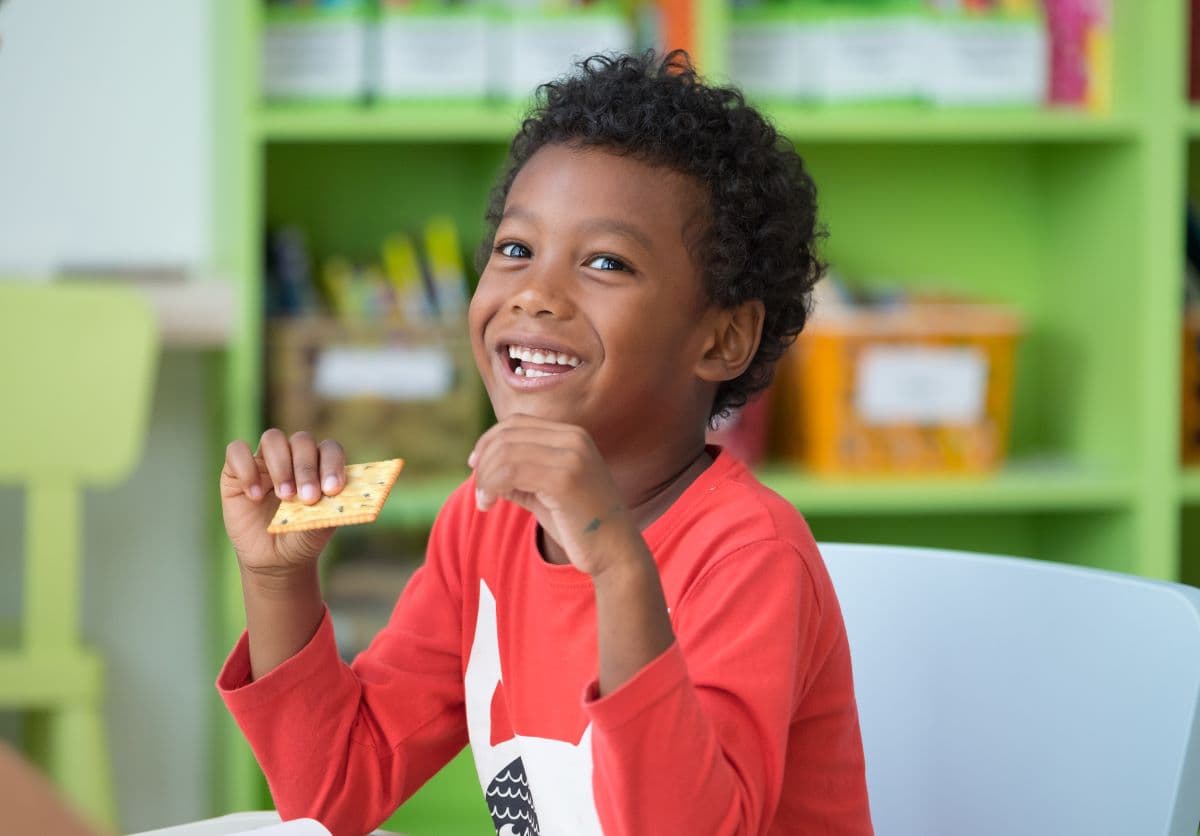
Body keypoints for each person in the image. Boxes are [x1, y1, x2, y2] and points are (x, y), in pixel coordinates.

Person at [218, 51, 873, 836]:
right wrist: (278, 580)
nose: (533, 292)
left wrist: (615, 563)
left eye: (605, 262)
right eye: (515, 249)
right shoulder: (484, 520)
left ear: (723, 338)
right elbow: (335, 790)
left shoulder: (749, 554)